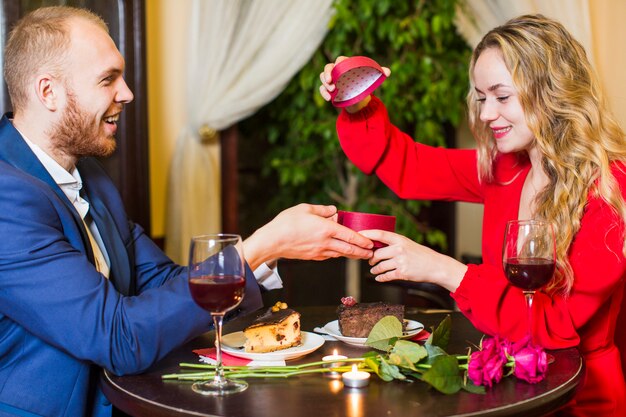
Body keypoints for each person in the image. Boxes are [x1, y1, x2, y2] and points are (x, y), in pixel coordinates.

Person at [0, 6, 374, 417]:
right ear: (47, 92)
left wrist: (268, 251)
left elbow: (167, 281)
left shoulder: (91, 174)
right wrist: (257, 247)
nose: (126, 93)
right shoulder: (6, 197)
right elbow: (119, 338)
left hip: (130, 398)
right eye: (107, 79)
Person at [319, 14, 626, 417]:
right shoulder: (505, 168)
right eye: (482, 98)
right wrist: (358, 103)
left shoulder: (609, 188)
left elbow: (554, 325)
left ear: (551, 90)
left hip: (581, 395)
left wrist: (444, 269)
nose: (485, 115)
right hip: (511, 385)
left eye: (502, 97)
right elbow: (408, 165)